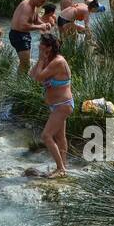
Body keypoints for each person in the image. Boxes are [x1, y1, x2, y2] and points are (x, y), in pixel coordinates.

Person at [31, 33, 73, 176]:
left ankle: (60, 168)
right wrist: (41, 59)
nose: (38, 45)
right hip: (56, 105)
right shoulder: (48, 59)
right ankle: (64, 167)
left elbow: (38, 78)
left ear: (48, 47)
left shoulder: (58, 61)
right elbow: (32, 74)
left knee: (46, 136)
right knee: (60, 137)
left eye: (41, 44)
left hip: (63, 104)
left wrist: (42, 60)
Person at [8, 0, 50, 75]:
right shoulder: (26, 7)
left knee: (25, 63)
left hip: (23, 35)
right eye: (41, 1)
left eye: (44, 2)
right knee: (25, 64)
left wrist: (44, 24)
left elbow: (35, 19)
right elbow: (22, 26)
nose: (42, 4)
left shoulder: (34, 5)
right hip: (18, 36)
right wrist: (40, 27)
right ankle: (19, 85)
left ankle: (21, 81)